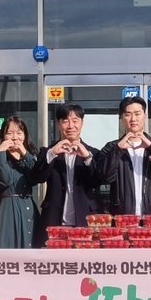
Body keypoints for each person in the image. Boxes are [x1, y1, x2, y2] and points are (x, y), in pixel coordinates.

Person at [31, 104, 102, 247]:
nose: (70, 126)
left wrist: (87, 158)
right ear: (58, 124)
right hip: (54, 219)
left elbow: (97, 180)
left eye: (75, 121)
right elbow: (37, 178)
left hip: (85, 219)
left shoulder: (93, 153)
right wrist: (51, 154)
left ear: (82, 123)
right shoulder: (48, 152)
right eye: (65, 121)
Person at [95, 96, 151, 215]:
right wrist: (118, 150)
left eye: (137, 114)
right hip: (123, 216)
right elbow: (104, 176)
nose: (133, 119)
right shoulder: (111, 147)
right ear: (121, 118)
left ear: (145, 116)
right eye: (128, 114)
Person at [0, 115, 39, 249]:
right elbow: (5, 181)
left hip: (28, 207)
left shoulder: (30, 155)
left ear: (25, 135)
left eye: (19, 133)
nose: (15, 137)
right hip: (8, 209)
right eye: (9, 133)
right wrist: (0, 153)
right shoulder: (0, 157)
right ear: (3, 136)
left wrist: (25, 154)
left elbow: (36, 177)